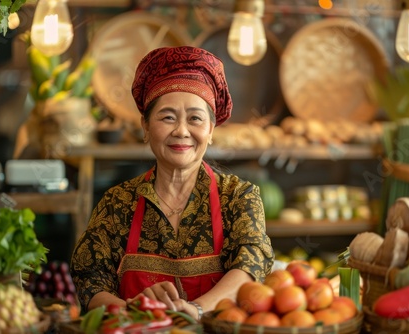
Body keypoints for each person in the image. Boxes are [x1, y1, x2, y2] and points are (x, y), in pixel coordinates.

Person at [70, 46, 274, 320]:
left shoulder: (238, 197)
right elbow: (89, 280)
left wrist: (195, 310)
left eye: (195, 119)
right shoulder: (117, 202)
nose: (181, 131)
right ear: (145, 126)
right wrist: (137, 311)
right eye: (167, 117)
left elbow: (252, 266)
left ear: (210, 131)